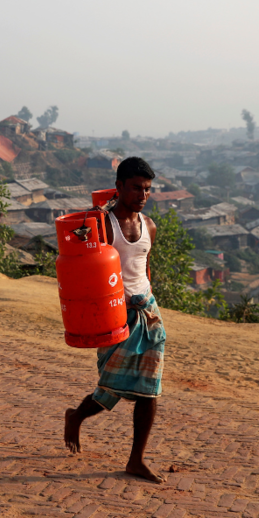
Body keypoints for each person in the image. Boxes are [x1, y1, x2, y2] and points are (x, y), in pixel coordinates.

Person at [64, 157, 166, 484]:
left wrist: (147, 299)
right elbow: (81, 264)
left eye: (147, 189)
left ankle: (136, 460)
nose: (142, 194)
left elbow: (144, 268)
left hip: (147, 312)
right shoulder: (101, 225)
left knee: (150, 391)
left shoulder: (149, 226)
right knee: (112, 385)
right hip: (114, 314)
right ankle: (76, 416)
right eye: (136, 187)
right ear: (119, 186)